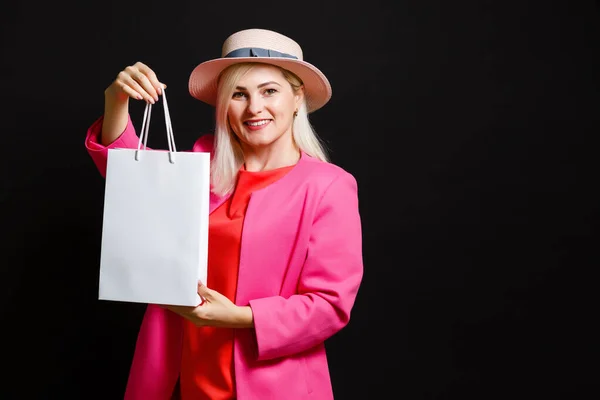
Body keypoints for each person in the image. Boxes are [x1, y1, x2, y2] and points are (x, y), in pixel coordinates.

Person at [84, 28, 363, 400]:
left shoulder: (328, 186)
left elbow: (329, 305)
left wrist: (240, 317)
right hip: (187, 373)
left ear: (297, 98)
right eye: (238, 94)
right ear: (222, 104)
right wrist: (117, 99)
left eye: (269, 91)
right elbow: (128, 177)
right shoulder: (201, 168)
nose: (254, 108)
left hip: (277, 384)